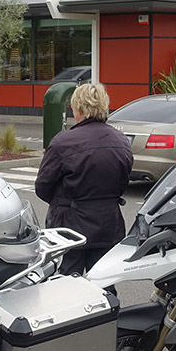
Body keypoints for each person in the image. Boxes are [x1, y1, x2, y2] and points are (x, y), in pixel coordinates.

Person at [34, 81, 133, 275]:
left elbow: (43, 186)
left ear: (78, 108)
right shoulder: (121, 141)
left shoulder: (63, 142)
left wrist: (63, 203)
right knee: (103, 282)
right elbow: (123, 181)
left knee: (67, 285)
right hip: (108, 226)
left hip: (70, 229)